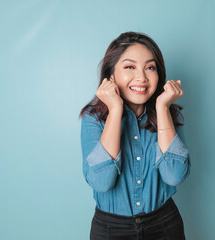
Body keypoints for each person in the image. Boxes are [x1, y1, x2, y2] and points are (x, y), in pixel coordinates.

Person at [79, 31, 191, 240]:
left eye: (150, 67)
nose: (142, 77)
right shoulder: (93, 118)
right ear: (111, 76)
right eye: (130, 67)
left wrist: (163, 108)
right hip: (111, 229)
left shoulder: (169, 113)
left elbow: (174, 175)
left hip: (165, 225)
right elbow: (101, 182)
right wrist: (114, 111)